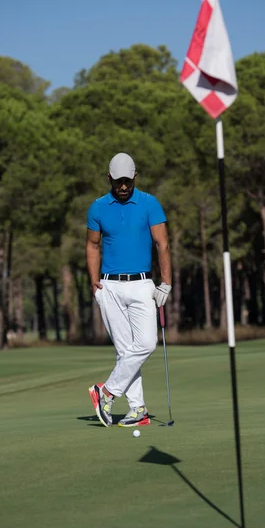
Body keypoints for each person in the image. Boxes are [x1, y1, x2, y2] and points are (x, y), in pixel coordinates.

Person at [87, 152, 172, 428]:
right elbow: (92, 245)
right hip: (109, 285)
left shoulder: (149, 204)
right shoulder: (98, 207)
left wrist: (166, 282)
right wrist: (93, 281)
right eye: (118, 181)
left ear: (135, 177)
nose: (123, 187)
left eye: (127, 181)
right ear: (109, 178)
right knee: (125, 351)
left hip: (142, 283)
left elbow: (163, 244)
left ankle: (107, 392)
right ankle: (138, 410)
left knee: (146, 344)